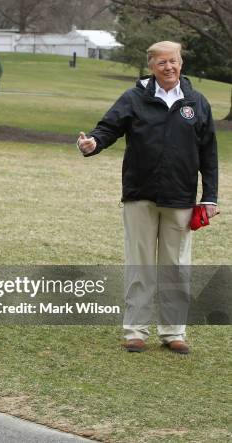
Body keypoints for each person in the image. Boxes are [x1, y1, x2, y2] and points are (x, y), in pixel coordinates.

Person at [77, 41, 219, 355]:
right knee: (139, 265)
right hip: (140, 194)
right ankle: (135, 331)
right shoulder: (134, 98)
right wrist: (93, 144)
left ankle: (173, 332)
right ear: (151, 66)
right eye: (161, 63)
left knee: (176, 267)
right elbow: (107, 128)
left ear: (181, 63)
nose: (168, 67)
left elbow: (209, 153)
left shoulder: (197, 102)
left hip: (180, 198)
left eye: (173, 61)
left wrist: (210, 196)